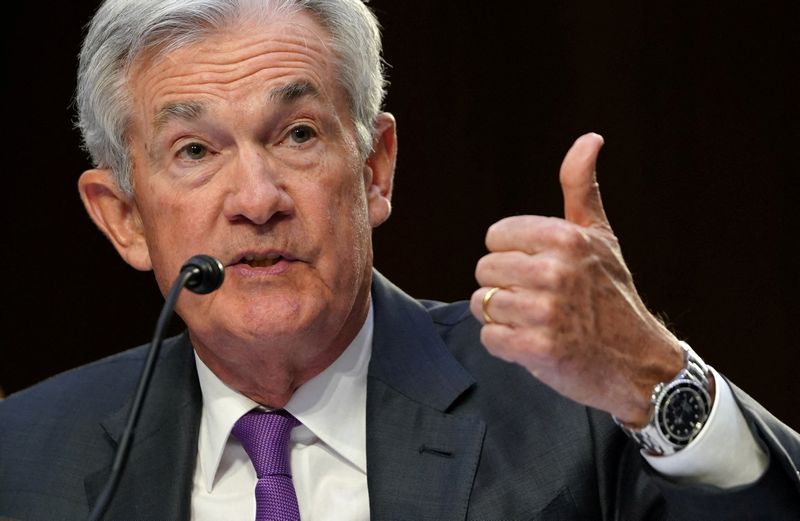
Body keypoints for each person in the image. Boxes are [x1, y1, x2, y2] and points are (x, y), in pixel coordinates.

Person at [0, 0, 798, 519]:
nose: (257, 197)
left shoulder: (568, 411)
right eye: (195, 149)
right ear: (124, 218)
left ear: (375, 168)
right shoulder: (26, 456)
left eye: (298, 134)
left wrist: (655, 377)